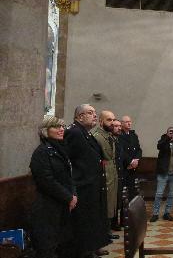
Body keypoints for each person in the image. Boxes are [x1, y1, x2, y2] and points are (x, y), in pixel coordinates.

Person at [65, 104, 108, 258]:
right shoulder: (74, 132)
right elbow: (68, 160)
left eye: (95, 112)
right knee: (84, 221)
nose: (94, 115)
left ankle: (92, 247)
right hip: (83, 185)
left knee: (92, 219)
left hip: (92, 185)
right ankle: (85, 251)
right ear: (79, 117)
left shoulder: (86, 133)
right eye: (90, 113)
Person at [29, 116, 76, 258]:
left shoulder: (60, 149)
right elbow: (46, 181)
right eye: (56, 127)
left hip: (62, 204)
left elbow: (69, 175)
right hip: (48, 207)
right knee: (48, 247)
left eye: (62, 126)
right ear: (45, 131)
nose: (61, 129)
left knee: (63, 243)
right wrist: (68, 197)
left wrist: (73, 195)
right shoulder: (41, 152)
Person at [91, 110, 120, 240]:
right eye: (109, 120)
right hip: (103, 174)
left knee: (111, 203)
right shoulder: (96, 136)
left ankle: (106, 231)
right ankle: (102, 233)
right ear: (101, 121)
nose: (113, 122)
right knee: (104, 205)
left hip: (111, 173)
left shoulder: (109, 135)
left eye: (114, 119)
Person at [150, 127, 173, 222]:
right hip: (163, 172)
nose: (172, 133)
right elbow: (159, 146)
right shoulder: (163, 139)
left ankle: (167, 213)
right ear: (166, 133)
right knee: (159, 193)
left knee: (171, 194)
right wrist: (168, 138)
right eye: (170, 132)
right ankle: (155, 213)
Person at [119, 115, 142, 199]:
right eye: (126, 122)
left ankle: (131, 210)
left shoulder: (133, 135)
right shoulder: (119, 135)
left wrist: (136, 160)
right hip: (124, 167)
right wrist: (130, 162)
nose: (129, 123)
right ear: (121, 124)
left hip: (133, 168)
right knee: (123, 192)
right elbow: (121, 151)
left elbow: (139, 149)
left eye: (130, 121)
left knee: (132, 191)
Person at [111, 120, 125, 229]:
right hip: (112, 174)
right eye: (116, 126)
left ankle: (115, 222)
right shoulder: (110, 140)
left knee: (118, 200)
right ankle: (112, 224)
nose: (119, 128)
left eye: (120, 126)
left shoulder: (119, 139)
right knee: (113, 200)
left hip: (120, 173)